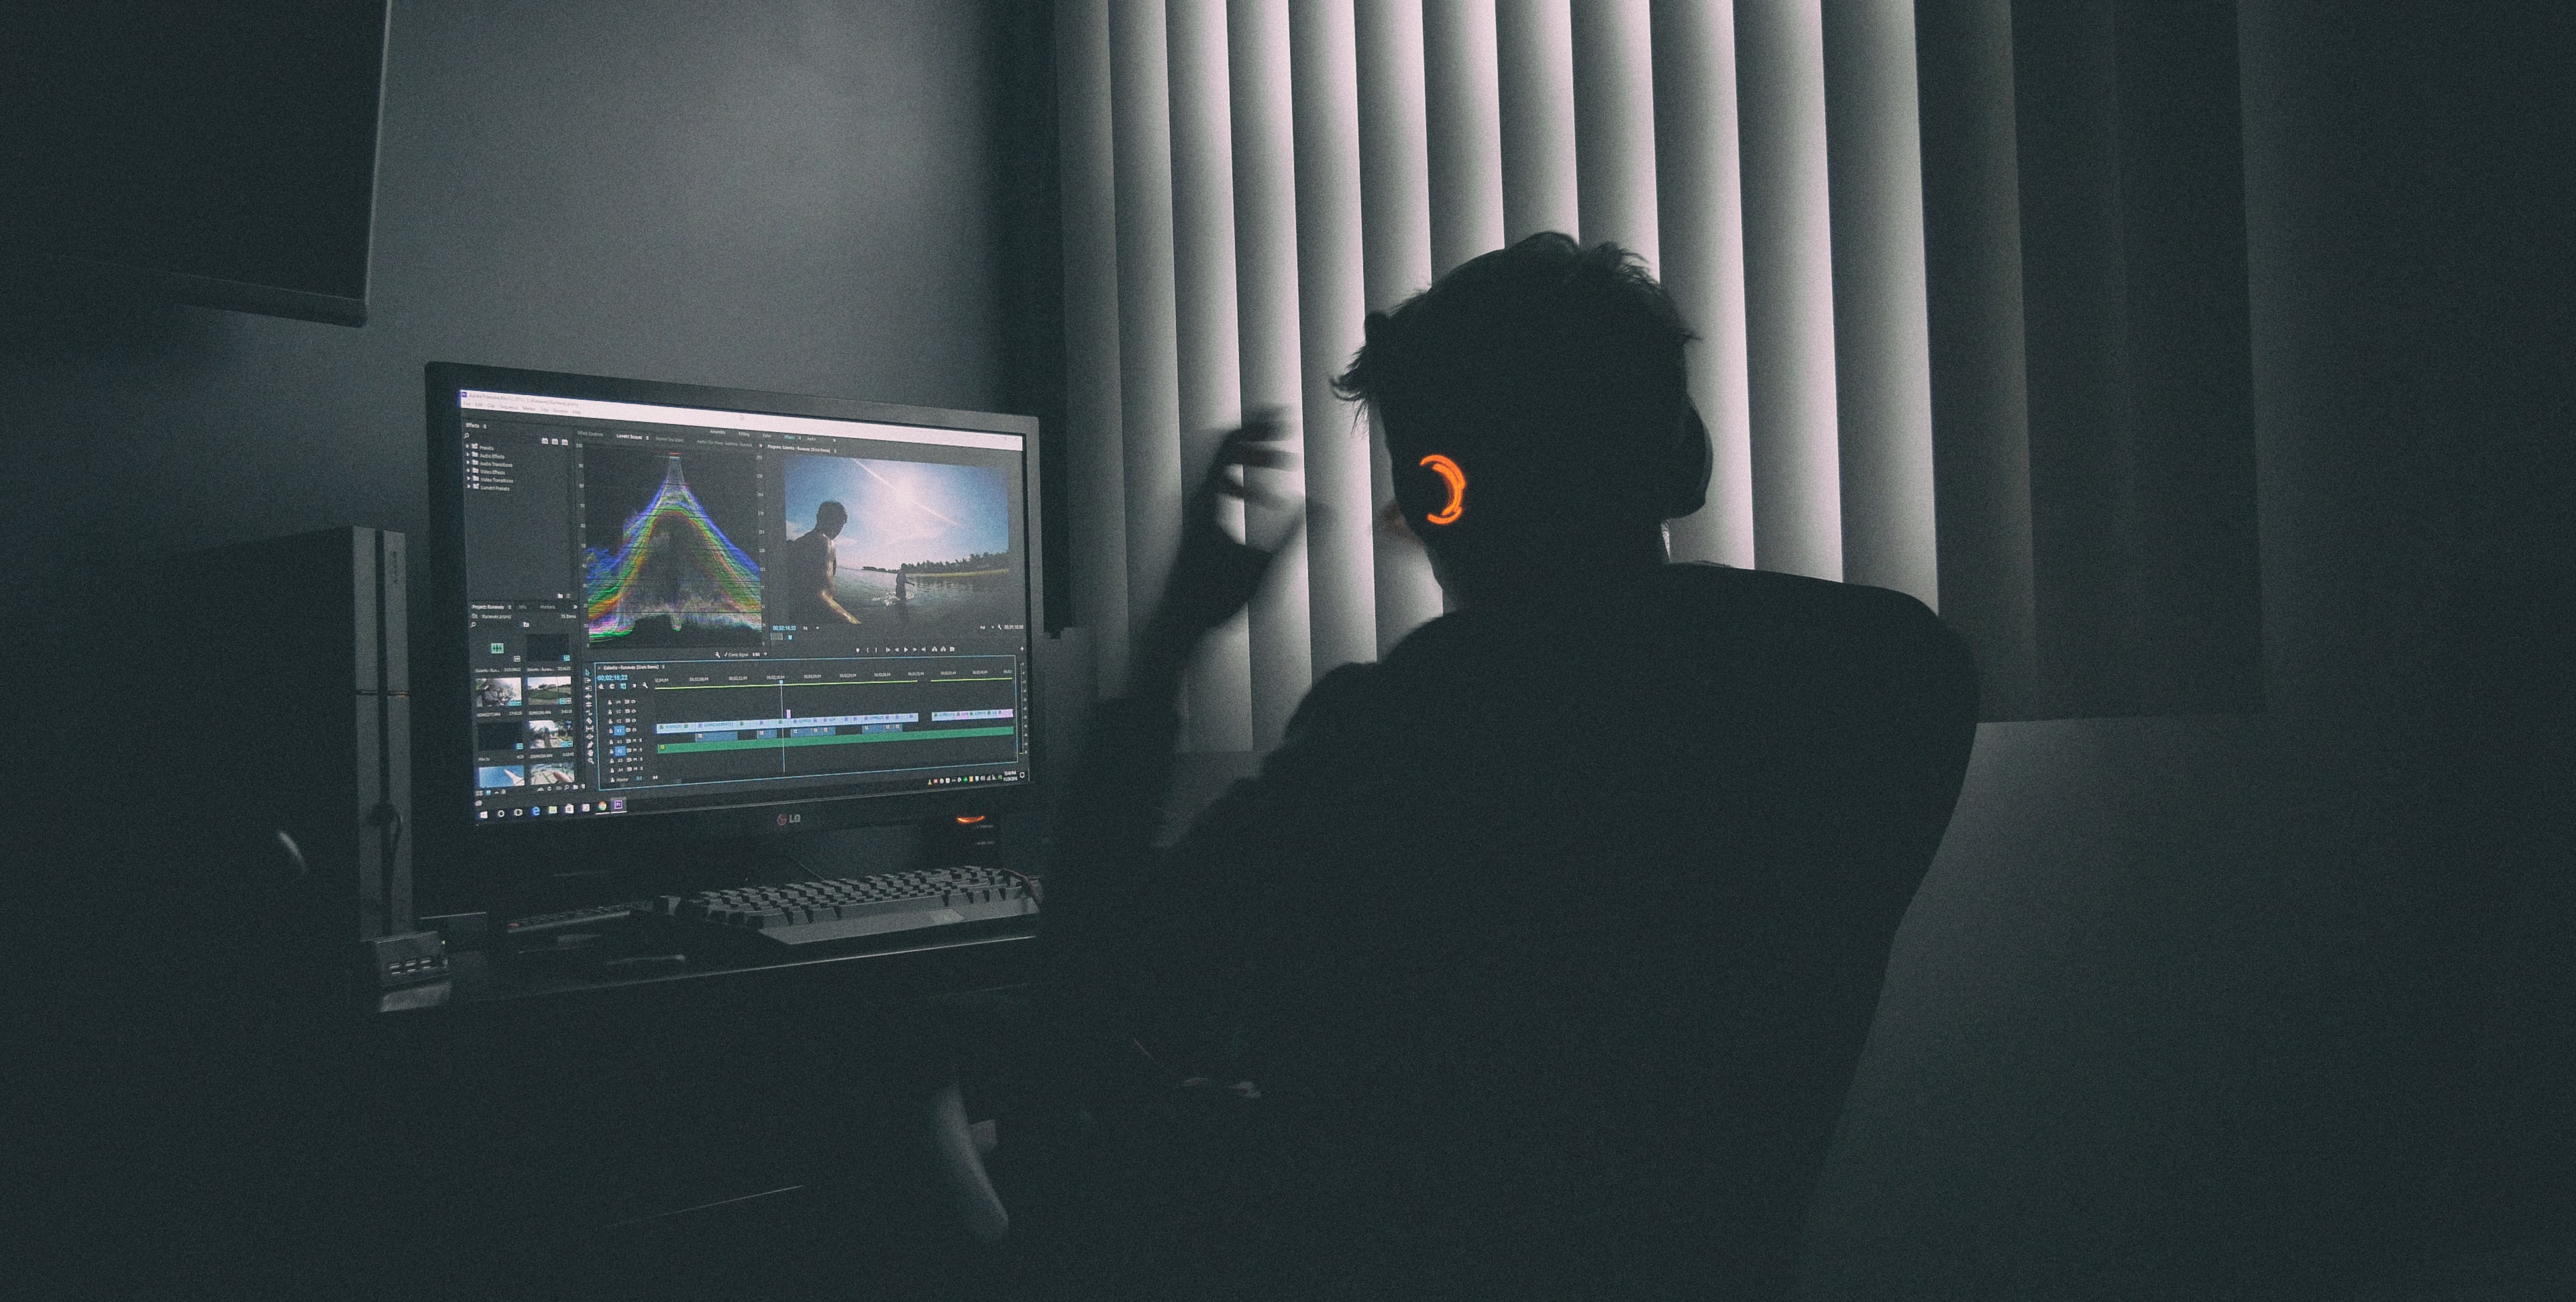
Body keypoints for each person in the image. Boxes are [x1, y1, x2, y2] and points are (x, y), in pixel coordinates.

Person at [1004, 233, 1979, 1299]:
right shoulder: (1891, 673)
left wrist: (1167, 645)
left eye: (1417, 490)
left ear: (1436, 496)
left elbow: (1108, 983)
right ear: (1685, 457)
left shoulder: (1414, 727)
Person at [777, 500, 858, 627]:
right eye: (841, 521)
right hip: (806, 621)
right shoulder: (824, 541)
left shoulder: (802, 541)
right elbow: (818, 597)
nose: (839, 527)